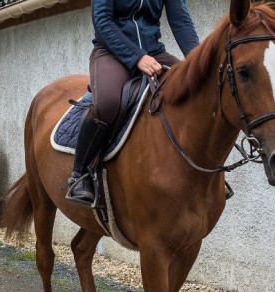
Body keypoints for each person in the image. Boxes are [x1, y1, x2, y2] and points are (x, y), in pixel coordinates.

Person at [66, 0, 200, 206]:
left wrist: (198, 63)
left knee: (196, 89)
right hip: (110, 53)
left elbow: (181, 21)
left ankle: (203, 171)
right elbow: (102, 21)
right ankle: (80, 174)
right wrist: (137, 57)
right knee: (108, 103)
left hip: (154, 52)